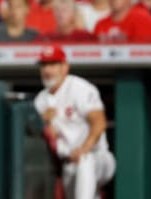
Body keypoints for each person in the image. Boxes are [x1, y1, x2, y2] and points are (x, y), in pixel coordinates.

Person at [33, 45, 116, 199]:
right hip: (68, 163)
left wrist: (84, 148)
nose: (47, 70)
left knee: (85, 162)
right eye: (44, 65)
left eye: (52, 65)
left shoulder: (80, 88)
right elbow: (48, 139)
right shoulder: (40, 101)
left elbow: (99, 122)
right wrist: (45, 123)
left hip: (98, 157)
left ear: (65, 67)